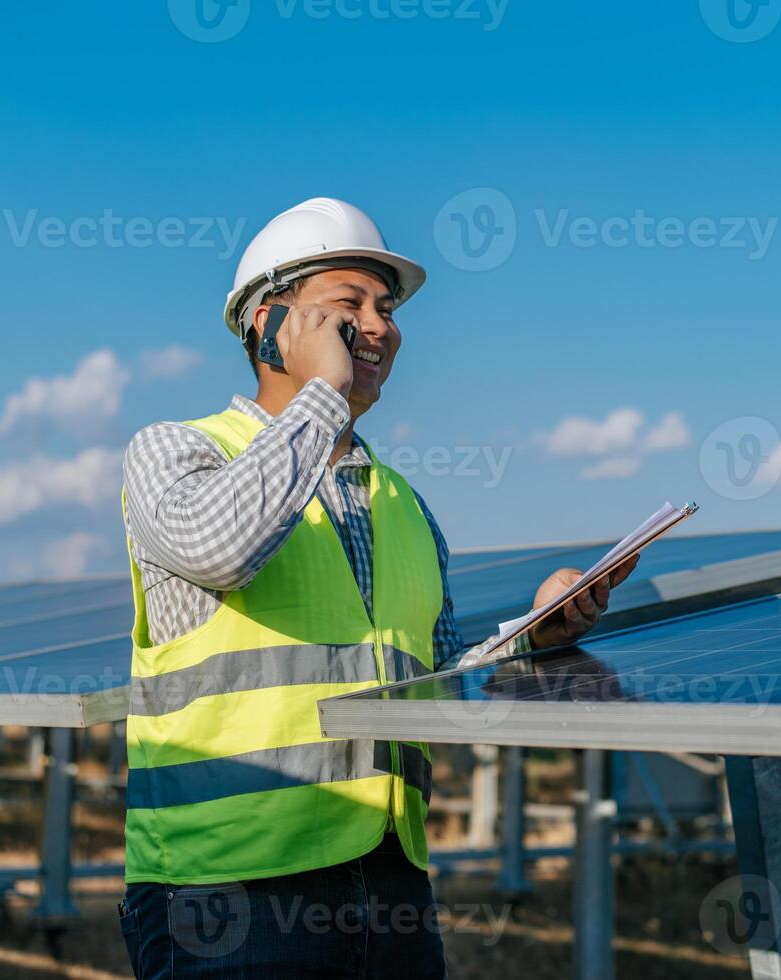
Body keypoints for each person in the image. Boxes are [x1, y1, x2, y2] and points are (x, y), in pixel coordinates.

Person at [115, 197, 637, 978]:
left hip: (389, 877)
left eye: (386, 308)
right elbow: (219, 549)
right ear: (270, 325)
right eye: (348, 306)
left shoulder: (402, 503)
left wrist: (537, 634)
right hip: (226, 887)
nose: (382, 326)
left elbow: (436, 675)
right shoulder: (176, 452)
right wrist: (321, 399)